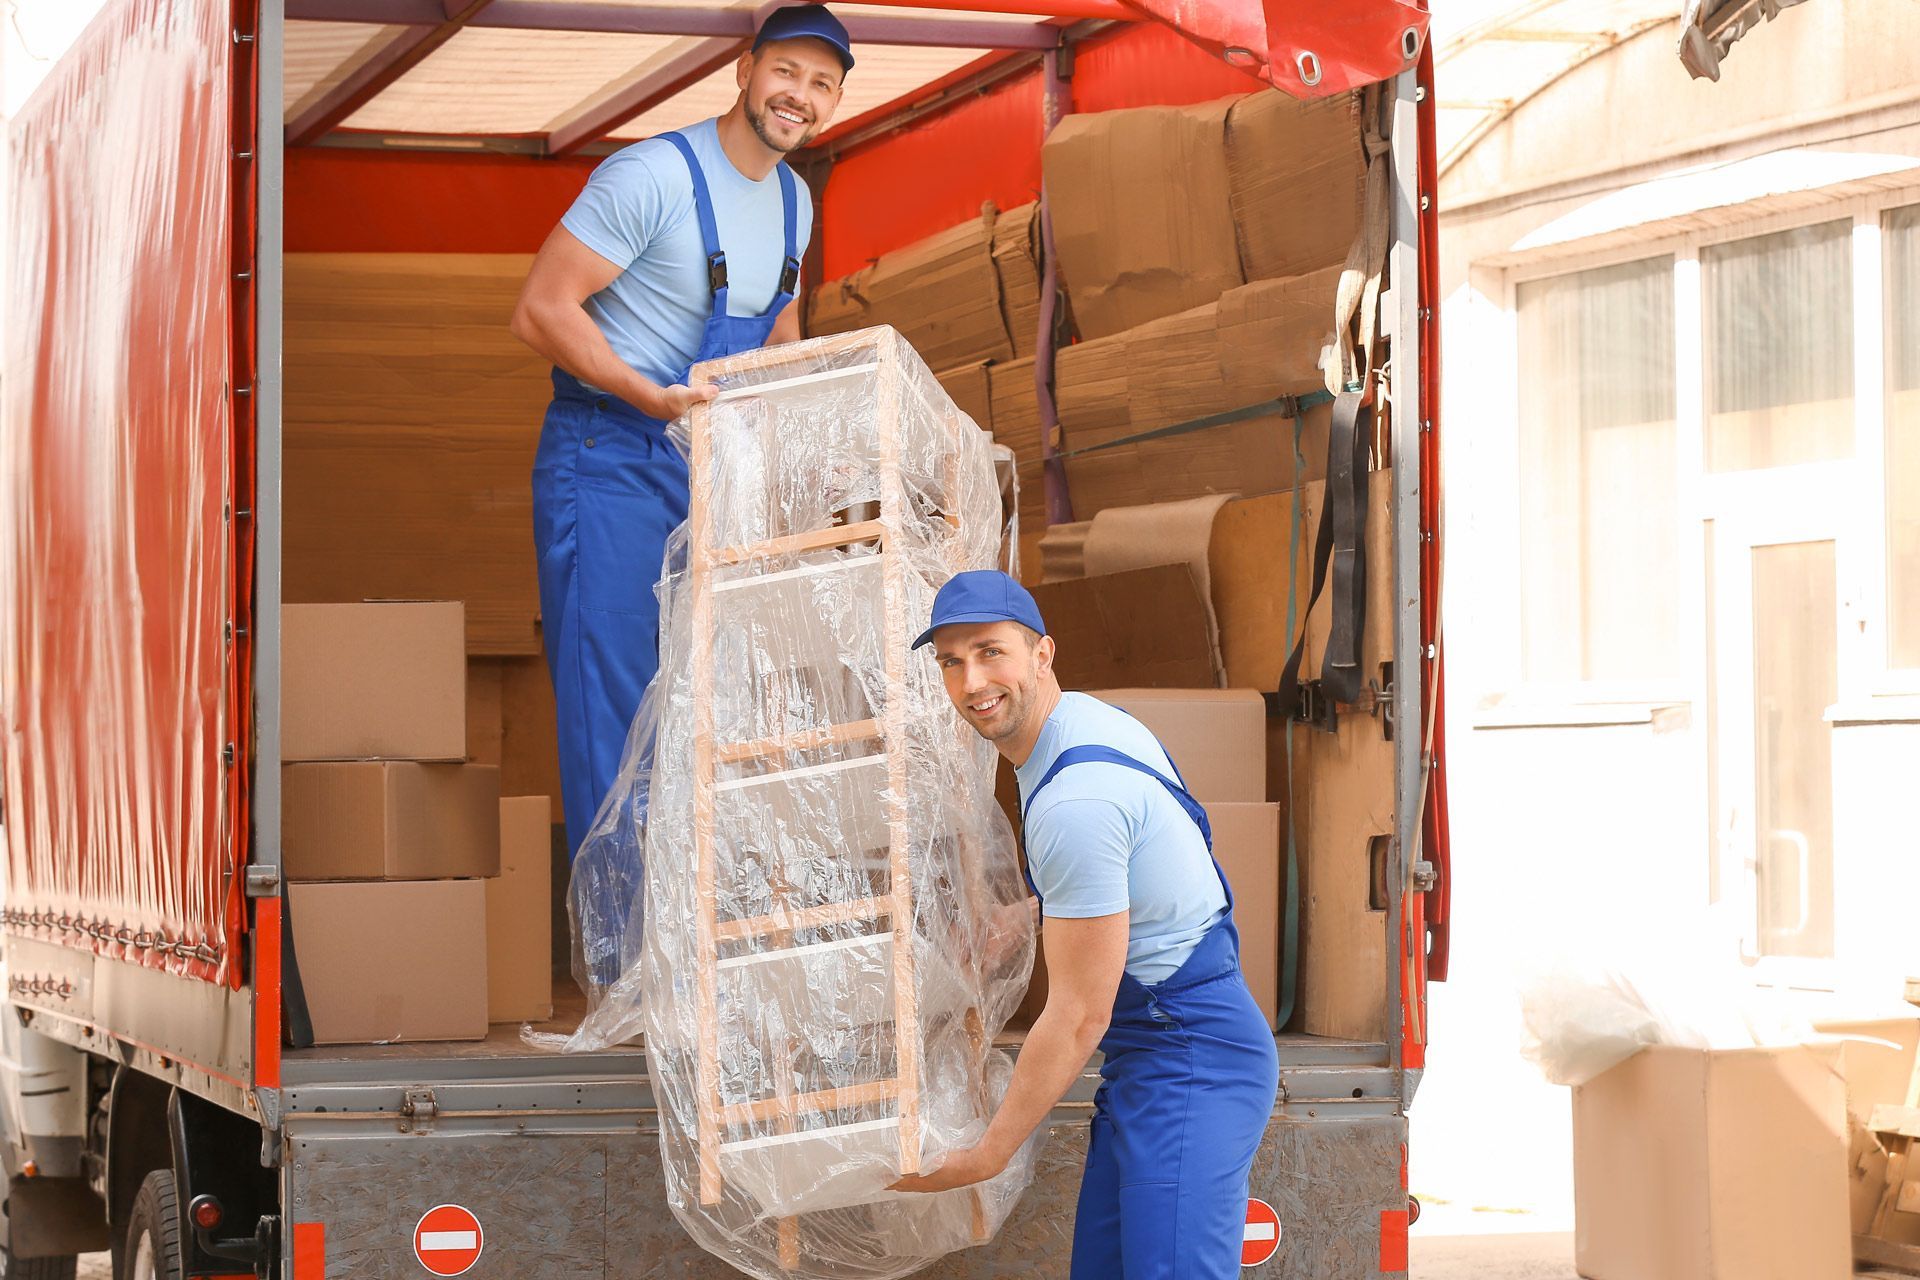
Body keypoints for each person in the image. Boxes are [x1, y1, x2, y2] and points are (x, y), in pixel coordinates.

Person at [509, 4, 851, 858]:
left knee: (706, 707)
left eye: (822, 84)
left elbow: (777, 333)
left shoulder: (793, 202)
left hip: (707, 475)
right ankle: (626, 974)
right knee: (619, 712)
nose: (798, 97)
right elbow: (540, 310)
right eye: (785, 73)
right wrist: (646, 394)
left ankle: (688, 959)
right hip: (611, 461)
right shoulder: (651, 176)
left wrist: (815, 450)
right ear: (744, 69)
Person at [892, 570, 1280, 1279]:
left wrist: (988, 1153)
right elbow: (1139, 868)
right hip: (1151, 1062)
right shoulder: (1088, 722)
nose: (972, 680)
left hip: (1193, 1064)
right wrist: (1026, 913)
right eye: (951, 661)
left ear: (1042, 653)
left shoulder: (1074, 801)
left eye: (991, 652)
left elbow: (1077, 1015)